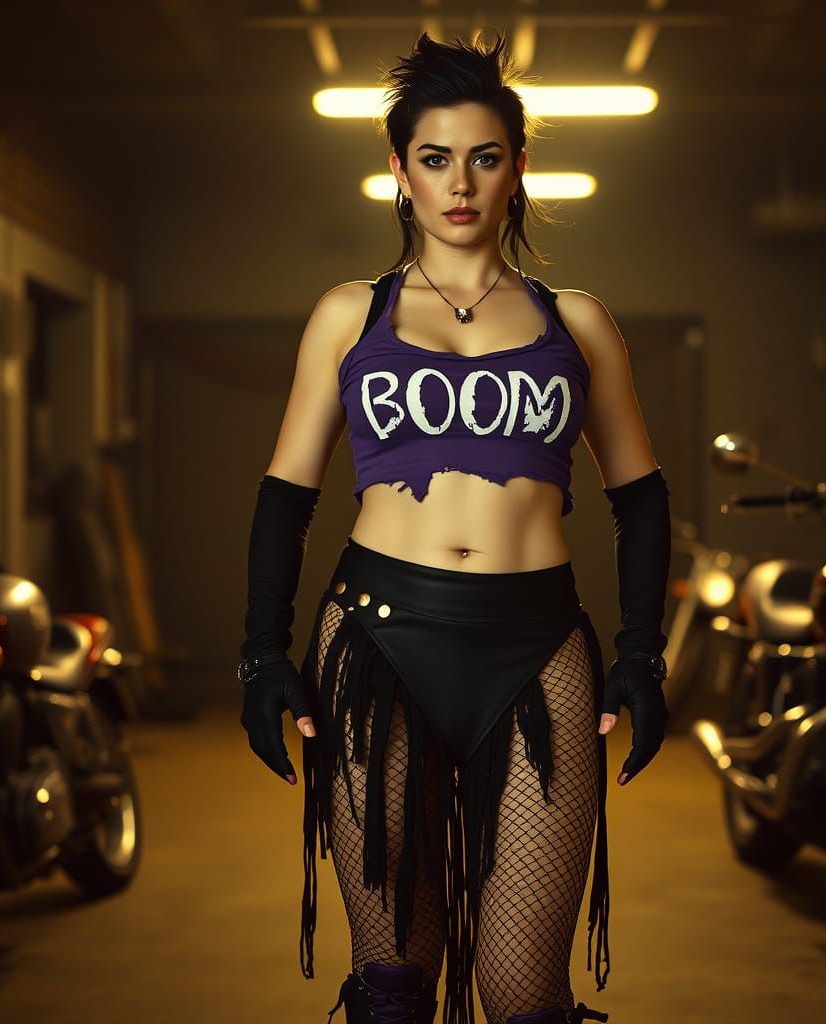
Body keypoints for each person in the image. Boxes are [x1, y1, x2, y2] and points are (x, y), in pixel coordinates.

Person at [237, 31, 671, 1024]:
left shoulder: (577, 321)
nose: (460, 183)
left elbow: (640, 496)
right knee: (396, 979)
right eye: (435, 159)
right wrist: (261, 654)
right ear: (400, 172)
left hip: (536, 649)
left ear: (517, 168)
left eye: (484, 156)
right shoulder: (351, 314)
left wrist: (643, 653)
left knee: (523, 993)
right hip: (377, 644)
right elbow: (286, 495)